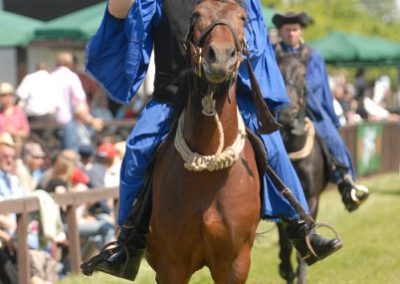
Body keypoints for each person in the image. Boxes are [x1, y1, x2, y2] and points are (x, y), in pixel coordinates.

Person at [81, 0, 342, 280]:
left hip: (232, 96)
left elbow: (255, 40)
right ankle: (127, 246)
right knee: (136, 149)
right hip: (172, 96)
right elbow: (123, 17)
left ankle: (301, 230)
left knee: (275, 148)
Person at [272, 12, 370, 212]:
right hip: (278, 111)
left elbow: (317, 83)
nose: (291, 33)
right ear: (281, 31)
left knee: (331, 137)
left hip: (310, 109)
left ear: (301, 31)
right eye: (287, 29)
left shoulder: (313, 55)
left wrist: (297, 88)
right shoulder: (272, 54)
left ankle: (347, 183)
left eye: (295, 29)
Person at [0, 82, 30, 155]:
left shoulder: (19, 113)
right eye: (2, 95)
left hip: (16, 146)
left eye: (6, 95)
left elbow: (26, 132)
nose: (4, 98)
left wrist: (14, 132)